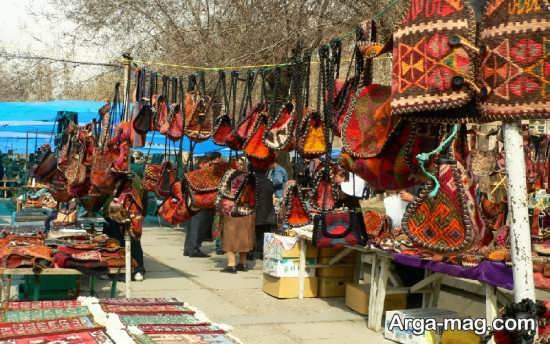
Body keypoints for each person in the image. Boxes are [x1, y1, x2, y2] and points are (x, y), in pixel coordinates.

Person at [253, 167, 276, 260]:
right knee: (264, 233)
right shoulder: (268, 182)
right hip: (267, 211)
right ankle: (262, 252)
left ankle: (254, 252)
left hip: (256, 210)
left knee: (256, 232)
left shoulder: (252, 182)